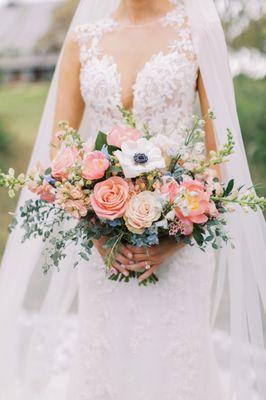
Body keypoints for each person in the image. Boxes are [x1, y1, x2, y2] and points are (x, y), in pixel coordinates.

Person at [0, 1, 265, 399]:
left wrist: (177, 235)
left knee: (175, 365)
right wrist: (95, 227)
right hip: (100, 248)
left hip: (180, 246)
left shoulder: (199, 28)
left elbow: (218, 155)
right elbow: (61, 148)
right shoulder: (83, 38)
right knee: (106, 359)